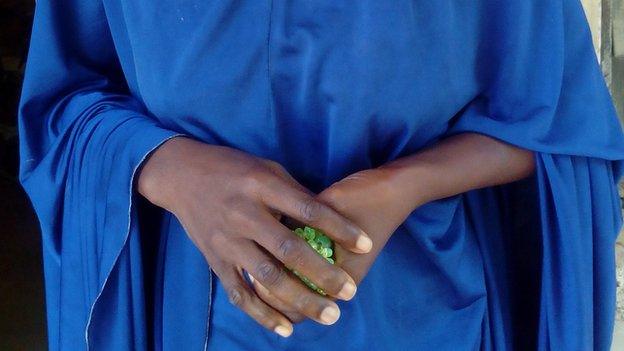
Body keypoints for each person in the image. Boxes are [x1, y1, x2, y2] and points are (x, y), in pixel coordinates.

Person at [18, 1, 624, 350]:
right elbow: (63, 103)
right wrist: (173, 169)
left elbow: (561, 118)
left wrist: (403, 185)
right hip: (199, 314)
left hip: (424, 313)